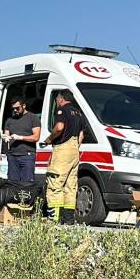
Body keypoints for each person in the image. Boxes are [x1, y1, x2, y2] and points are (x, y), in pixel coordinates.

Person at [41, 89, 85, 224]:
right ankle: (69, 219)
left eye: (57, 100)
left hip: (62, 149)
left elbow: (59, 127)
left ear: (61, 99)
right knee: (71, 185)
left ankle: (53, 219)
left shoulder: (62, 110)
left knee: (55, 183)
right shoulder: (79, 113)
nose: (57, 102)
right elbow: (81, 135)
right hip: (74, 150)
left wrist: (48, 139)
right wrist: (75, 147)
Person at [3, 97, 41, 183]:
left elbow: (36, 137)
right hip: (12, 155)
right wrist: (6, 138)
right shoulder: (9, 120)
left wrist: (20, 137)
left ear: (24, 106)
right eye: (13, 109)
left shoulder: (33, 118)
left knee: (27, 183)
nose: (15, 110)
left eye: (17, 108)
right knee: (13, 183)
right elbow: (6, 134)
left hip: (27, 155)